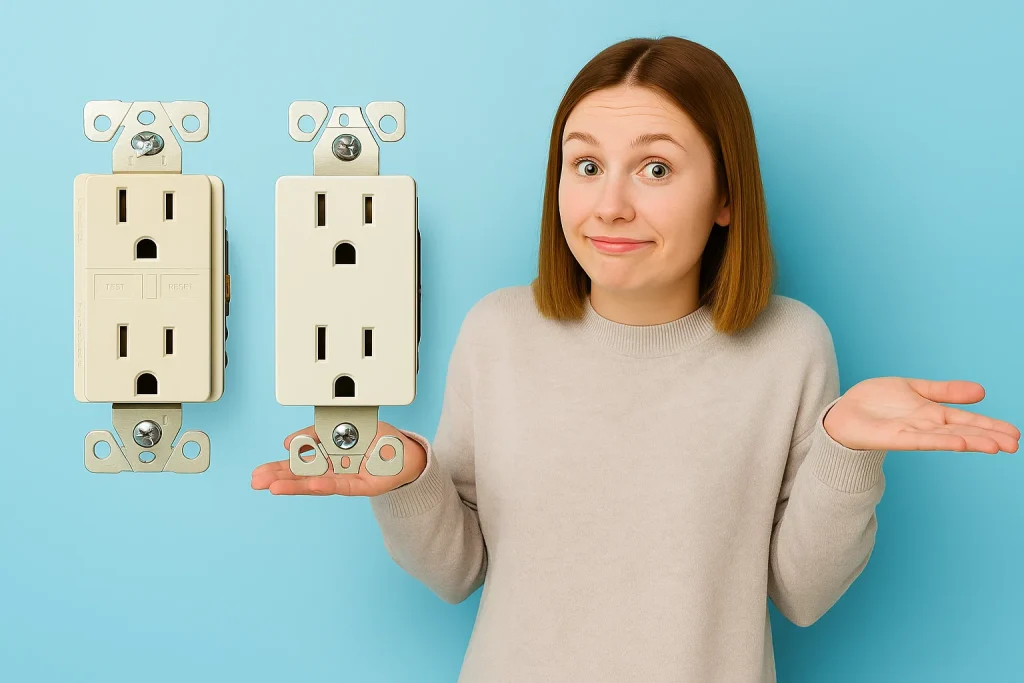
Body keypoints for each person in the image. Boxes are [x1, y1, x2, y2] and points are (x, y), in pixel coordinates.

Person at [251, 36, 1019, 682]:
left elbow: (800, 592)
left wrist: (848, 451)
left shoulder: (790, 346)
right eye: (586, 166)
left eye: (655, 169)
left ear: (726, 195)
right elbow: (457, 571)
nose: (609, 204)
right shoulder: (498, 332)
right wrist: (406, 478)